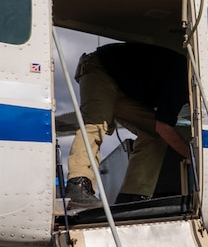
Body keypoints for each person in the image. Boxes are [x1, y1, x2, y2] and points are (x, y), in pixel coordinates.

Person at [64, 42, 190, 210]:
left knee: (153, 134)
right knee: (95, 124)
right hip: (100, 68)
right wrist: (191, 156)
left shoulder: (182, 80)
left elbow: (159, 128)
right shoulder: (183, 77)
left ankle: (131, 196)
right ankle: (78, 186)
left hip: (123, 86)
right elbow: (164, 126)